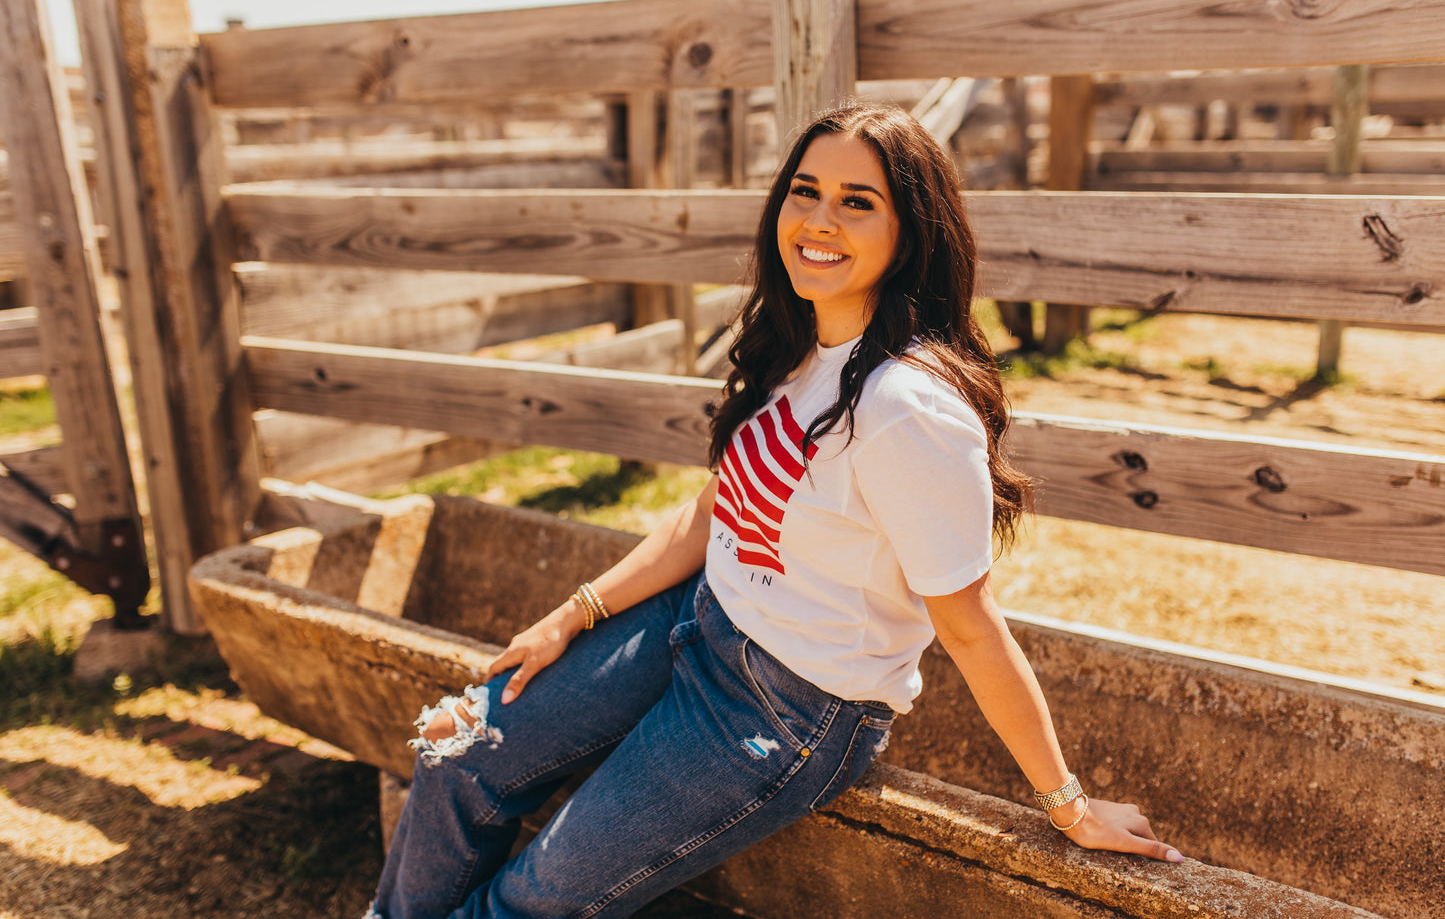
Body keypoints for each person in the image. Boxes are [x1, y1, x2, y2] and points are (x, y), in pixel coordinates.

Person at [365, 102, 1182, 919]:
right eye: (805, 190)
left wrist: (1068, 804)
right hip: (693, 621)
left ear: (912, 230)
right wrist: (575, 613)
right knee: (455, 754)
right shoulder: (801, 341)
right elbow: (716, 507)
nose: (818, 220)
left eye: (857, 202)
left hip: (783, 707)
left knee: (534, 898)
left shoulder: (907, 409)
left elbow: (969, 623)